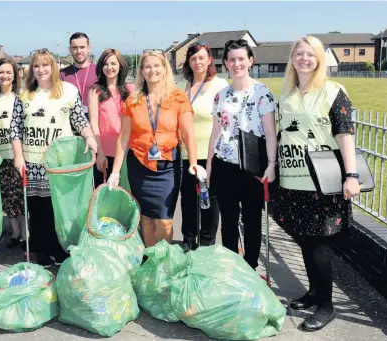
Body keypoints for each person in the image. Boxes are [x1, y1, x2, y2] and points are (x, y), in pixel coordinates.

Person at [274, 36, 360, 331]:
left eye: (310, 54)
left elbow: (345, 135)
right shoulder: (286, 93)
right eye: (299, 53)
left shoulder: (332, 91)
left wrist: (352, 175)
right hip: (292, 180)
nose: (304, 59)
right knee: (304, 240)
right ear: (292, 58)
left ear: (320, 58)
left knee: (316, 244)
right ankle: (314, 293)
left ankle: (326, 305)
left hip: (321, 183)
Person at [107, 51, 204, 247]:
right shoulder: (133, 101)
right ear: (141, 71)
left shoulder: (178, 98)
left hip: (167, 167)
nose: (152, 70)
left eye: (156, 66)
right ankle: (151, 262)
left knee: (165, 221)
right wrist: (115, 172)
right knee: (146, 219)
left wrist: (193, 163)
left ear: (164, 68)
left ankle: (164, 260)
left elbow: (188, 135)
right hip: (139, 165)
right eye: (147, 66)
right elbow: (123, 138)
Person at [11, 49, 97, 268]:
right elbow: (16, 129)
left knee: (60, 209)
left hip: (59, 164)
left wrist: (89, 137)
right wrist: (18, 158)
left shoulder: (68, 91)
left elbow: (79, 119)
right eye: (37, 66)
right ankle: (42, 251)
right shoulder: (24, 94)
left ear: (53, 67)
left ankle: (61, 249)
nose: (41, 70)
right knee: (37, 210)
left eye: (45, 65)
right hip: (33, 163)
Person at [206, 39, 277, 272]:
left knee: (252, 220)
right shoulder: (221, 95)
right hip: (224, 165)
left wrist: (271, 164)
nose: (237, 64)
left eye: (241, 59)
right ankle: (231, 268)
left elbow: (269, 131)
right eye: (232, 59)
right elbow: (215, 133)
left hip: (251, 167)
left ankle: (250, 268)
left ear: (250, 61)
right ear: (226, 63)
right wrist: (208, 166)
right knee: (227, 221)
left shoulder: (262, 93)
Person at [179, 41, 229, 251]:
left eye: (201, 57)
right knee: (189, 202)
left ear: (209, 60)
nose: (197, 62)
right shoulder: (187, 87)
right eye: (193, 59)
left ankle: (207, 245)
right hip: (186, 155)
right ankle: (188, 243)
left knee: (209, 203)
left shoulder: (221, 85)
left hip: (210, 155)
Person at [0, 58, 27, 250]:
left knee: (20, 196)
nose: (4, 76)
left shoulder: (20, 99)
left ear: (14, 76)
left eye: (8, 72)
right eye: (1, 72)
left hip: (17, 156)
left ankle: (26, 234)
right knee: (7, 198)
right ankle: (15, 232)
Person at [88, 48, 135, 186]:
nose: (109, 68)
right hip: (106, 153)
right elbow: (94, 124)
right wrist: (100, 152)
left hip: (127, 153)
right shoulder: (95, 91)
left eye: (113, 63)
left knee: (127, 196)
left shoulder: (130, 90)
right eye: (105, 64)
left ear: (120, 65)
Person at [59, 32, 98, 116]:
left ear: (89, 48)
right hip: (70, 123)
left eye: (82, 47)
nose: (79, 51)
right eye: (75, 47)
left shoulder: (100, 71)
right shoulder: (62, 74)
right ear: (70, 50)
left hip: (95, 122)